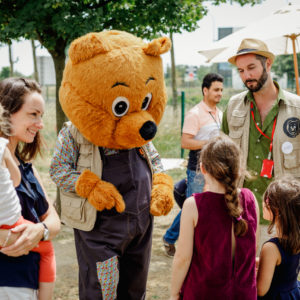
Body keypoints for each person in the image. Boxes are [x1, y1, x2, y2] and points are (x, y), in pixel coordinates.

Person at [170, 135, 260, 300]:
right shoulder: (250, 199)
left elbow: (183, 258)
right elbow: (253, 250)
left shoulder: (193, 205)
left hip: (204, 293)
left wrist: (174, 293)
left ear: (203, 168)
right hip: (244, 294)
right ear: (239, 168)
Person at [222, 38, 300, 223]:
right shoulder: (233, 106)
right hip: (240, 215)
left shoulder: (297, 108)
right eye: (241, 71)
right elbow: (222, 158)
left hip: (286, 217)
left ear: (268, 64)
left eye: (251, 67)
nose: (246, 76)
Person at [0, 78, 60, 300]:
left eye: (41, 116)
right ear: (7, 112)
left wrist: (39, 231)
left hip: (31, 283)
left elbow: (53, 220)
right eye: (33, 114)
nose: (40, 123)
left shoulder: (28, 169)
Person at [163, 73, 223, 256]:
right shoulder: (195, 114)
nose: (219, 93)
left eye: (221, 90)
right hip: (197, 169)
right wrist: (210, 143)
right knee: (194, 207)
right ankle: (170, 238)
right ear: (205, 90)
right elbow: (185, 142)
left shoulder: (220, 114)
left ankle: (198, 243)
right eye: (216, 90)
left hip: (214, 169)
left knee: (207, 207)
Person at [257, 176, 300, 299]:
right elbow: (285, 267)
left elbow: (261, 290)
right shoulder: (296, 238)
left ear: (275, 209)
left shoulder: (271, 248)